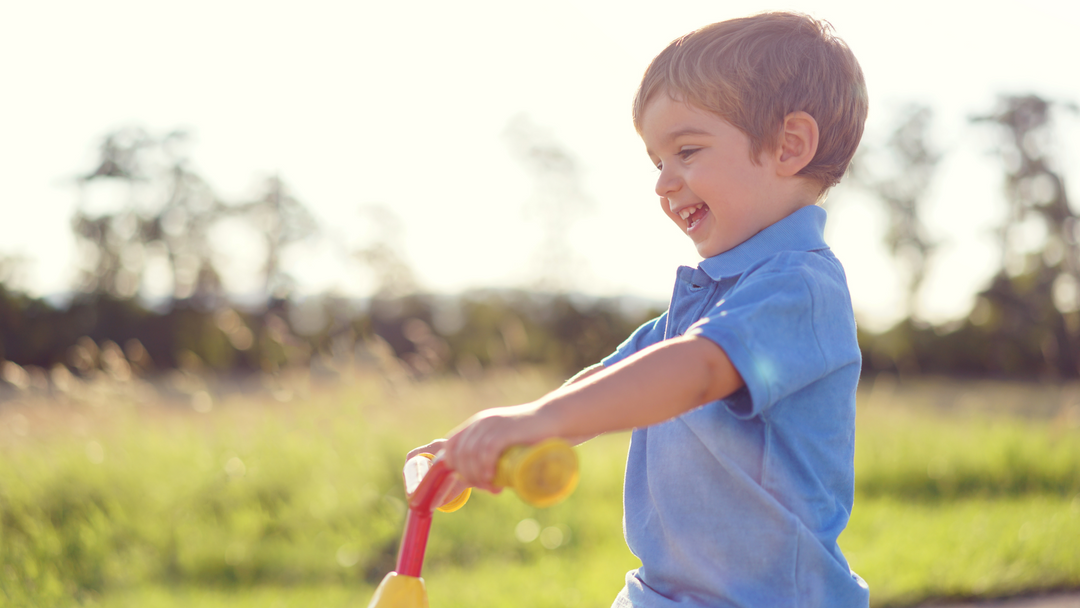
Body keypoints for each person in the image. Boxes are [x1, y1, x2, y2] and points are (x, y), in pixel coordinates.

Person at [408, 11, 870, 607]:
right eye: (657, 162)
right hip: (662, 595)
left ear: (789, 145)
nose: (663, 183)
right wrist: (486, 439)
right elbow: (607, 383)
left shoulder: (801, 288)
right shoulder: (708, 299)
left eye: (686, 150)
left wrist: (536, 424)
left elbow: (698, 370)